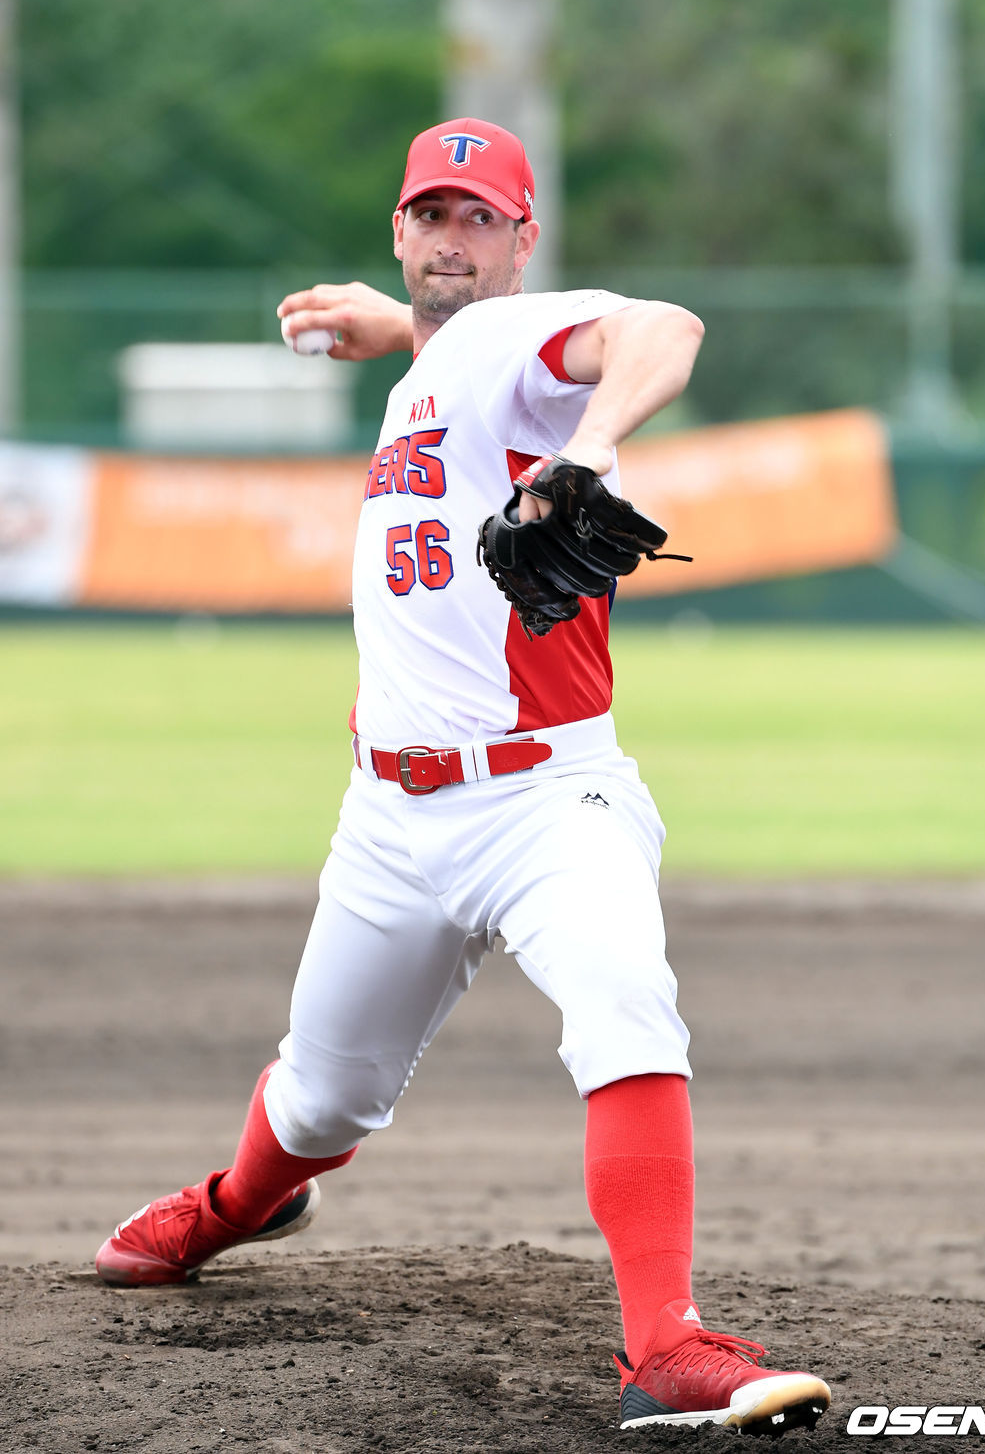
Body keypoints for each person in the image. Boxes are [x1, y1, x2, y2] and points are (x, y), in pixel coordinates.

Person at [95, 117, 830, 1436]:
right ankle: (236, 1204)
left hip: (546, 803)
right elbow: (460, 354)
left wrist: (585, 450)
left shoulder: (523, 341)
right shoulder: (445, 360)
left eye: (480, 217)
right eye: (432, 213)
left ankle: (665, 1343)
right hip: (387, 816)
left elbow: (665, 329)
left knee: (624, 1005)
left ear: (523, 238)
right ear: (399, 229)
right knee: (321, 1096)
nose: (453, 237)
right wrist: (403, 331)